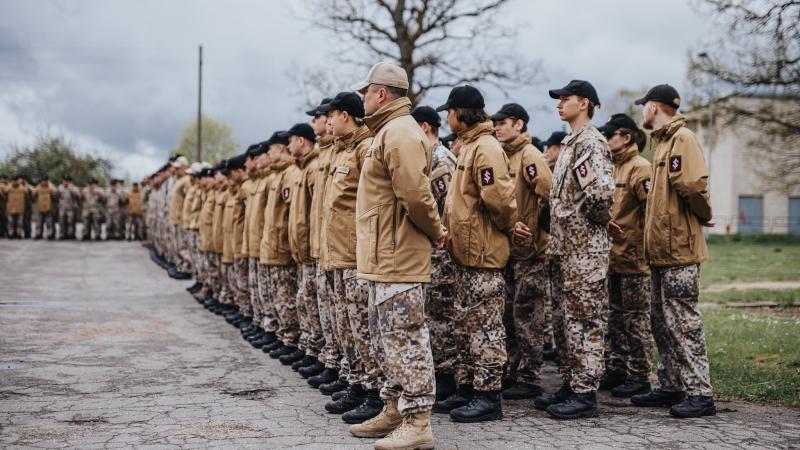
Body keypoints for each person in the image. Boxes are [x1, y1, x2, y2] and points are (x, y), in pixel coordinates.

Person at [347, 61, 446, 449]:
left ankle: (418, 421)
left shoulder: (401, 133)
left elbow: (416, 195)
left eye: (365, 91)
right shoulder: (388, 131)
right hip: (383, 256)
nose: (362, 98)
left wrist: (436, 231)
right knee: (386, 338)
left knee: (405, 338)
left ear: (382, 94)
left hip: (398, 255)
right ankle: (394, 408)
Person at [432, 85, 517, 423]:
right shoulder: (470, 146)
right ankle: (467, 388)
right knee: (467, 326)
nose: (447, 117)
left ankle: (488, 395)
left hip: (483, 253)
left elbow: (499, 199)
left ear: (462, 113)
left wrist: (508, 227)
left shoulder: (486, 148)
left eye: (449, 111)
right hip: (465, 254)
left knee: (486, 328)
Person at [632, 84, 716, 418]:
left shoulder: (682, 139)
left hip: (679, 251)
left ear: (654, 107)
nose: (642, 111)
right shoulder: (663, 142)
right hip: (660, 253)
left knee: (684, 323)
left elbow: (693, 186)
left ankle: (700, 393)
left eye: (644, 106)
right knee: (661, 322)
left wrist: (704, 214)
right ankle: (671, 385)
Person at [533, 80, 614, 420]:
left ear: (585, 103)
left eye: (566, 98)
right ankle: (573, 383)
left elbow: (600, 196)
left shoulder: (590, 143)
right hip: (568, 249)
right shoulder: (570, 143)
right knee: (569, 323)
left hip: (585, 250)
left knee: (585, 322)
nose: (560, 103)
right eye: (559, 99)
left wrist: (589, 226)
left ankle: (585, 394)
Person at [317, 92, 383, 419]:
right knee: (348, 326)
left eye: (332, 116)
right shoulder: (344, 151)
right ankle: (357, 383)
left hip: (356, 256)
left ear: (346, 116)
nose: (328, 122)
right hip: (338, 255)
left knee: (362, 327)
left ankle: (374, 393)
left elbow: (372, 204)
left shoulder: (364, 149)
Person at [491, 103, 553, 400]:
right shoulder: (505, 155)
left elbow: (548, 194)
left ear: (519, 124)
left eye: (503, 122)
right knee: (510, 315)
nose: (497, 127)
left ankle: (529, 376)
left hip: (530, 253)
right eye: (496, 122)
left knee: (528, 315)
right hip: (510, 252)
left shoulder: (529, 156)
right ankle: (513, 371)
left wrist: (537, 230)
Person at [596, 113, 654, 398]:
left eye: (609, 135)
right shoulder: (610, 167)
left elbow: (652, 212)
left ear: (626, 137)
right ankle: (616, 368)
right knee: (614, 318)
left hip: (634, 260)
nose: (605, 140)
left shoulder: (640, 168)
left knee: (636, 319)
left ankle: (640, 374)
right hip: (612, 258)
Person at [411, 104, 458, 402]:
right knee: (432, 315)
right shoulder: (426, 158)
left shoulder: (441, 159)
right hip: (429, 250)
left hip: (441, 250)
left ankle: (446, 376)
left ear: (425, 126)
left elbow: (447, 207)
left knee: (441, 316)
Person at [285, 123, 325, 376]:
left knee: (316, 305)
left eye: (292, 141)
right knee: (307, 302)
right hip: (304, 248)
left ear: (302, 141)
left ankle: (320, 356)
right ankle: (312, 352)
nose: (290, 146)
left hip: (316, 249)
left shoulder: (312, 168)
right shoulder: (301, 170)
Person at [261, 132, 303, 365]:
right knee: (278, 295)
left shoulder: (290, 174)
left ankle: (291, 339)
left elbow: (294, 216)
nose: (269, 154)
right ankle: (282, 335)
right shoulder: (278, 175)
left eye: (272, 149)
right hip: (273, 244)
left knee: (287, 296)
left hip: (285, 246)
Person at [32, 175, 56, 240]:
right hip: (40, 207)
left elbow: (55, 194)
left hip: (49, 207)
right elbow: (33, 195)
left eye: (45, 180)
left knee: (49, 223)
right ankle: (38, 234)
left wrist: (51, 186)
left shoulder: (51, 187)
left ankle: (50, 234)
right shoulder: (38, 187)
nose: (44, 182)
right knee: (39, 222)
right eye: (43, 180)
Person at [57, 175, 81, 240]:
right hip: (62, 207)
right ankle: (62, 234)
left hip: (71, 207)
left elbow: (78, 196)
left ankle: (71, 234)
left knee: (71, 221)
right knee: (62, 221)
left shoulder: (74, 188)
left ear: (70, 181)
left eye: (67, 181)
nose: (65, 182)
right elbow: (57, 196)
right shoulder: (60, 187)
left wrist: (71, 189)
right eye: (64, 180)